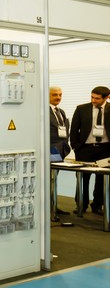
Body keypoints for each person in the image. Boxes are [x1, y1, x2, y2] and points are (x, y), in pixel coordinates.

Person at [69, 86, 110, 214]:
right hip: (85, 149)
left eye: (97, 98)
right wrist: (76, 147)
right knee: (82, 178)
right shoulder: (82, 109)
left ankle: (97, 205)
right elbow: (74, 129)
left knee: (102, 179)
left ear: (107, 97)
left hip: (105, 149)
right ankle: (81, 204)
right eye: (92, 97)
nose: (93, 100)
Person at [49, 86, 71, 159]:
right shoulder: (43, 110)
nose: (58, 97)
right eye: (55, 95)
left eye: (60, 95)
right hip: (50, 149)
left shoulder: (61, 111)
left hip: (62, 149)